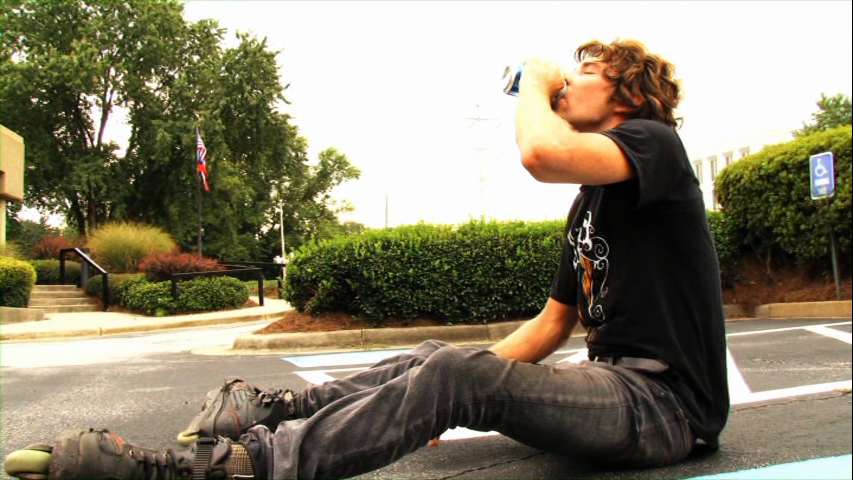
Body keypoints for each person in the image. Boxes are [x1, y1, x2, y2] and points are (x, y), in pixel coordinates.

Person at [4, 39, 730, 480]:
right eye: (565, 72)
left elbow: (540, 152)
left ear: (629, 95)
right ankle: (282, 409)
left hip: (664, 408)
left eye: (586, 71)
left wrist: (536, 81)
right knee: (435, 359)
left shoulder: (655, 145)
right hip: (609, 389)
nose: (567, 81)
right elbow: (548, 325)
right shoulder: (589, 207)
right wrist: (436, 388)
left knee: (452, 373)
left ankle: (245, 466)